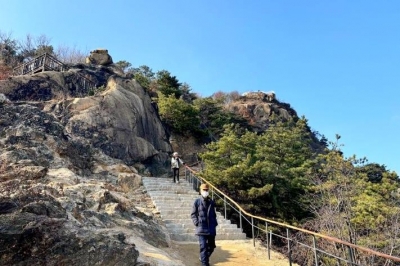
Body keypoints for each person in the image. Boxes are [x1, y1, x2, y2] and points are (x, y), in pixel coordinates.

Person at [191, 183, 218, 266]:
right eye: (204, 190)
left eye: (207, 190)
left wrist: (214, 223)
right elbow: (193, 214)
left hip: (211, 229)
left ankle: (203, 257)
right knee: (203, 247)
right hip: (201, 228)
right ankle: (205, 263)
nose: (205, 191)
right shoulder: (197, 202)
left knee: (212, 247)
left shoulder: (211, 202)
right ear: (200, 191)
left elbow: (214, 214)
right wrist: (197, 223)